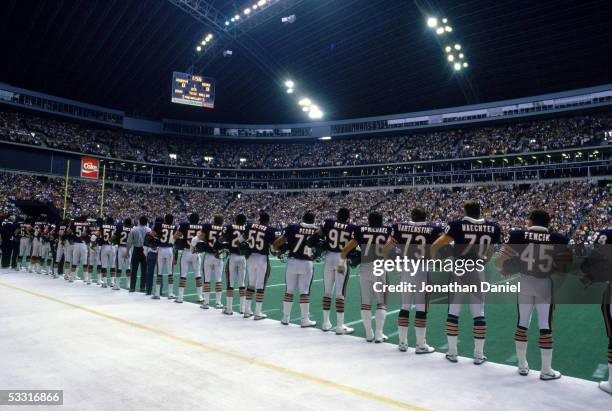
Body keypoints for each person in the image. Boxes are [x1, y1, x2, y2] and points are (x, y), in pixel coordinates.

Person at [496, 209, 571, 380]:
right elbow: (564, 268)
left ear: (531, 221)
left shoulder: (517, 235)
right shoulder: (559, 238)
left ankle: (522, 366)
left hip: (524, 282)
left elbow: (499, 260)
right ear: (548, 222)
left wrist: (507, 268)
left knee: (522, 323)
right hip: (544, 283)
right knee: (545, 326)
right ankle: (546, 370)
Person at [432, 200, 501, 365]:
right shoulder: (493, 227)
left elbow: (435, 245)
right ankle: (478, 354)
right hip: (478, 270)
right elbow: (491, 249)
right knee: (479, 313)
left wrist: (436, 262)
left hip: (459, 269)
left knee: (454, 311)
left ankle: (452, 352)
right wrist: (485, 259)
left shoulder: (457, 225)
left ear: (464, 211)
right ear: (480, 211)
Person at [387, 207, 442, 353]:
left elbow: (388, 246)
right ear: (426, 216)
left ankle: (402, 343)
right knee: (421, 308)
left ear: (411, 215)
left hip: (406, 268)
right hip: (422, 269)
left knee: (405, 306)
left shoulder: (399, 227)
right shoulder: (434, 229)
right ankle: (420, 345)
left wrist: (391, 260)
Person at [339, 211, 393, 343]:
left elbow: (345, 249)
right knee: (381, 303)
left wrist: (341, 263)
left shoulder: (360, 230)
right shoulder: (388, 230)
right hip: (380, 266)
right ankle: (379, 334)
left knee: (366, 303)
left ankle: (369, 334)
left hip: (365, 267)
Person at [307, 207, 355, 334]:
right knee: (340, 293)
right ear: (348, 217)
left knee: (327, 291)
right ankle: (340, 326)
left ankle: (325, 323)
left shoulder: (329, 222)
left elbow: (316, 235)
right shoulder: (351, 227)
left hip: (328, 257)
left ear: (337, 215)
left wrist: (310, 246)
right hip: (341, 258)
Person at [273, 211, 318, 327]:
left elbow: (277, 243)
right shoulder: (316, 230)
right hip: (307, 263)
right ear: (313, 221)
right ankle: (304, 320)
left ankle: (285, 318)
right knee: (304, 292)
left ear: (302, 218)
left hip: (292, 261)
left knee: (289, 290)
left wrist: (277, 250)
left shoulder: (293, 227)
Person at [243, 212, 277, 319]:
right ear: (268, 220)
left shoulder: (250, 226)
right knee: (260, 285)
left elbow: (241, 240)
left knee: (251, 284)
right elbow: (273, 248)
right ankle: (258, 312)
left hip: (250, 257)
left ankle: (247, 311)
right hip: (261, 258)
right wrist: (277, 253)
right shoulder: (270, 230)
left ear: (259, 219)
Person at [174, 213, 204, 303]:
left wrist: (174, 241)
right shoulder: (201, 227)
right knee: (198, 275)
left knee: (183, 274)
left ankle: (180, 297)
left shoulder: (184, 225)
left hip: (186, 251)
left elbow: (176, 236)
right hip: (196, 253)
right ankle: (200, 297)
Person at [222, 213, 248, 315]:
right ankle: (242, 309)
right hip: (243, 257)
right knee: (242, 283)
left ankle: (229, 309)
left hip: (232, 256)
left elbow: (221, 239)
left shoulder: (229, 227)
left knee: (230, 283)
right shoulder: (247, 228)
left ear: (235, 220)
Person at [200, 215, 225, 309]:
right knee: (218, 280)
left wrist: (207, 241)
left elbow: (201, 237)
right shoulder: (224, 228)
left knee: (207, 279)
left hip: (208, 255)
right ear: (222, 222)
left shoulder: (207, 227)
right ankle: (218, 302)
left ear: (214, 220)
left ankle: (206, 303)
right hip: (219, 255)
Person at [151, 214, 176, 299]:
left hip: (161, 249)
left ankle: (157, 293)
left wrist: (158, 237)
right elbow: (176, 237)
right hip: (169, 249)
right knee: (170, 272)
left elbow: (152, 233)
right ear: (172, 220)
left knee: (159, 272)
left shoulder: (159, 225)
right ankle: (170, 293)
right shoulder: (174, 227)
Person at [127, 215, 149, 293]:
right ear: (146, 222)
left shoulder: (134, 229)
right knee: (144, 270)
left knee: (134, 270)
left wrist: (127, 251)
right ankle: (142, 287)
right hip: (145, 251)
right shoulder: (149, 230)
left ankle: (132, 287)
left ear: (139, 221)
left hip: (136, 250)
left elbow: (129, 242)